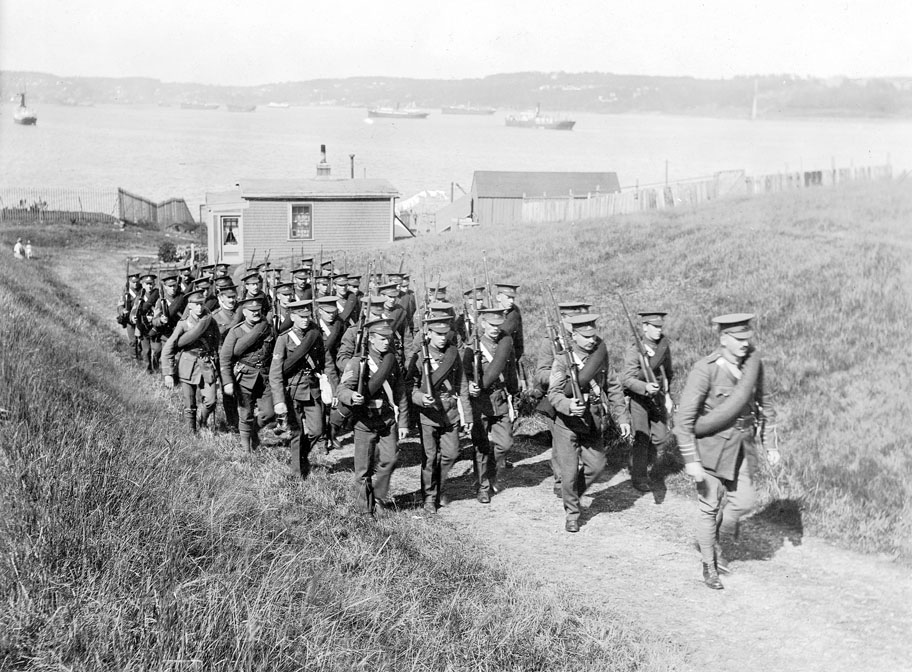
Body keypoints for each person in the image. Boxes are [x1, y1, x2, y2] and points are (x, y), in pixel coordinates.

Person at [673, 313, 779, 590]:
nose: (745, 344)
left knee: (744, 502)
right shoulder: (705, 370)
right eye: (739, 339)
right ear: (723, 339)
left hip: (741, 448)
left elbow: (764, 405)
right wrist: (691, 460)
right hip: (710, 450)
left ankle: (712, 536)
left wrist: (770, 445)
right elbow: (683, 421)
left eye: (748, 338)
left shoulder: (753, 366)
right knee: (709, 507)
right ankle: (709, 565)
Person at [547, 314, 630, 532]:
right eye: (585, 337)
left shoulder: (599, 359)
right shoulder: (563, 360)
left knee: (597, 466)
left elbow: (613, 388)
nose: (592, 340)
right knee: (569, 472)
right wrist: (567, 405)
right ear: (574, 335)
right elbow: (554, 393)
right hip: (567, 424)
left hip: (593, 420)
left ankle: (572, 493)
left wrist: (622, 418)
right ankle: (572, 513)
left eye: (593, 335)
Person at [335, 317, 410, 516]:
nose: (387, 342)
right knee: (363, 470)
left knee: (391, 459)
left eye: (389, 339)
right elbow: (341, 389)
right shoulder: (357, 362)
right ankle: (365, 511)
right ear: (371, 340)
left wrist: (403, 422)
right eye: (382, 339)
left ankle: (378, 494)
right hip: (365, 422)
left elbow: (401, 392)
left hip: (387, 420)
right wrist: (352, 396)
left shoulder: (391, 361)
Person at [406, 315, 471, 513]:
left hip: (450, 411)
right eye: (438, 334)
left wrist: (467, 415)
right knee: (430, 457)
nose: (443, 338)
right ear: (429, 334)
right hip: (428, 414)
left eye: (446, 334)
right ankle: (429, 496)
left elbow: (462, 384)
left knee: (451, 454)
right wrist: (419, 398)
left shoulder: (453, 354)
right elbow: (410, 385)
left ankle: (440, 486)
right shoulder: (419, 357)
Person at [463, 308, 518, 504]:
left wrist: (514, 393)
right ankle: (483, 486)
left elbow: (511, 369)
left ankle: (491, 471)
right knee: (481, 446)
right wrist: (470, 384)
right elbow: (464, 373)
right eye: (491, 325)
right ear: (483, 324)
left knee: (504, 444)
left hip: (500, 398)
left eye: (498, 325)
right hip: (480, 401)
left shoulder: (505, 344)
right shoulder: (472, 346)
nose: (496, 329)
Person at [270, 299, 326, 478]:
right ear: (292, 317)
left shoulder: (315, 334)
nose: (305, 320)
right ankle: (297, 474)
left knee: (317, 430)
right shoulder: (284, 338)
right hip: (292, 390)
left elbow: (323, 361)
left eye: (307, 316)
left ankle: (301, 456)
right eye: (301, 317)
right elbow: (275, 372)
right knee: (296, 433)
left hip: (311, 388)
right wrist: (279, 400)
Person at [622, 310, 674, 492]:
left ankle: (638, 460)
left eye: (661, 326)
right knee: (642, 438)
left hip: (658, 397)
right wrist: (644, 387)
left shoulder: (663, 346)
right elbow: (626, 379)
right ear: (645, 327)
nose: (659, 330)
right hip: (639, 399)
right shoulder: (635, 348)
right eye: (655, 327)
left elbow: (668, 372)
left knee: (660, 437)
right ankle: (639, 476)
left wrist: (667, 395)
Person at [219, 296, 277, 451]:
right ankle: (246, 449)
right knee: (246, 413)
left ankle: (252, 431)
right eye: (251, 311)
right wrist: (228, 382)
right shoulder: (236, 331)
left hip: (265, 376)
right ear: (244, 312)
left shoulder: (268, 328)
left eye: (257, 310)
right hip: (245, 376)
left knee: (269, 413)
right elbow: (225, 358)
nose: (255, 313)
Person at [161, 290, 222, 433]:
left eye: (201, 304)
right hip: (187, 365)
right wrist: (168, 373)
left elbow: (216, 342)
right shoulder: (183, 324)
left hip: (206, 365)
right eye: (196, 304)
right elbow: (168, 348)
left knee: (211, 400)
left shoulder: (210, 321)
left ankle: (202, 419)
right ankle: (191, 431)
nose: (199, 307)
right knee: (190, 403)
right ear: (189, 306)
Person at [116, 271, 143, 360]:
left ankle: (140, 354)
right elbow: (120, 305)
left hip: (140, 318)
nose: (135, 284)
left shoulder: (142, 290)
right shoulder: (126, 292)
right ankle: (134, 358)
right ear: (130, 282)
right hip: (129, 320)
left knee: (142, 339)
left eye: (137, 282)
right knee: (132, 340)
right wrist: (123, 311)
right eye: (133, 282)